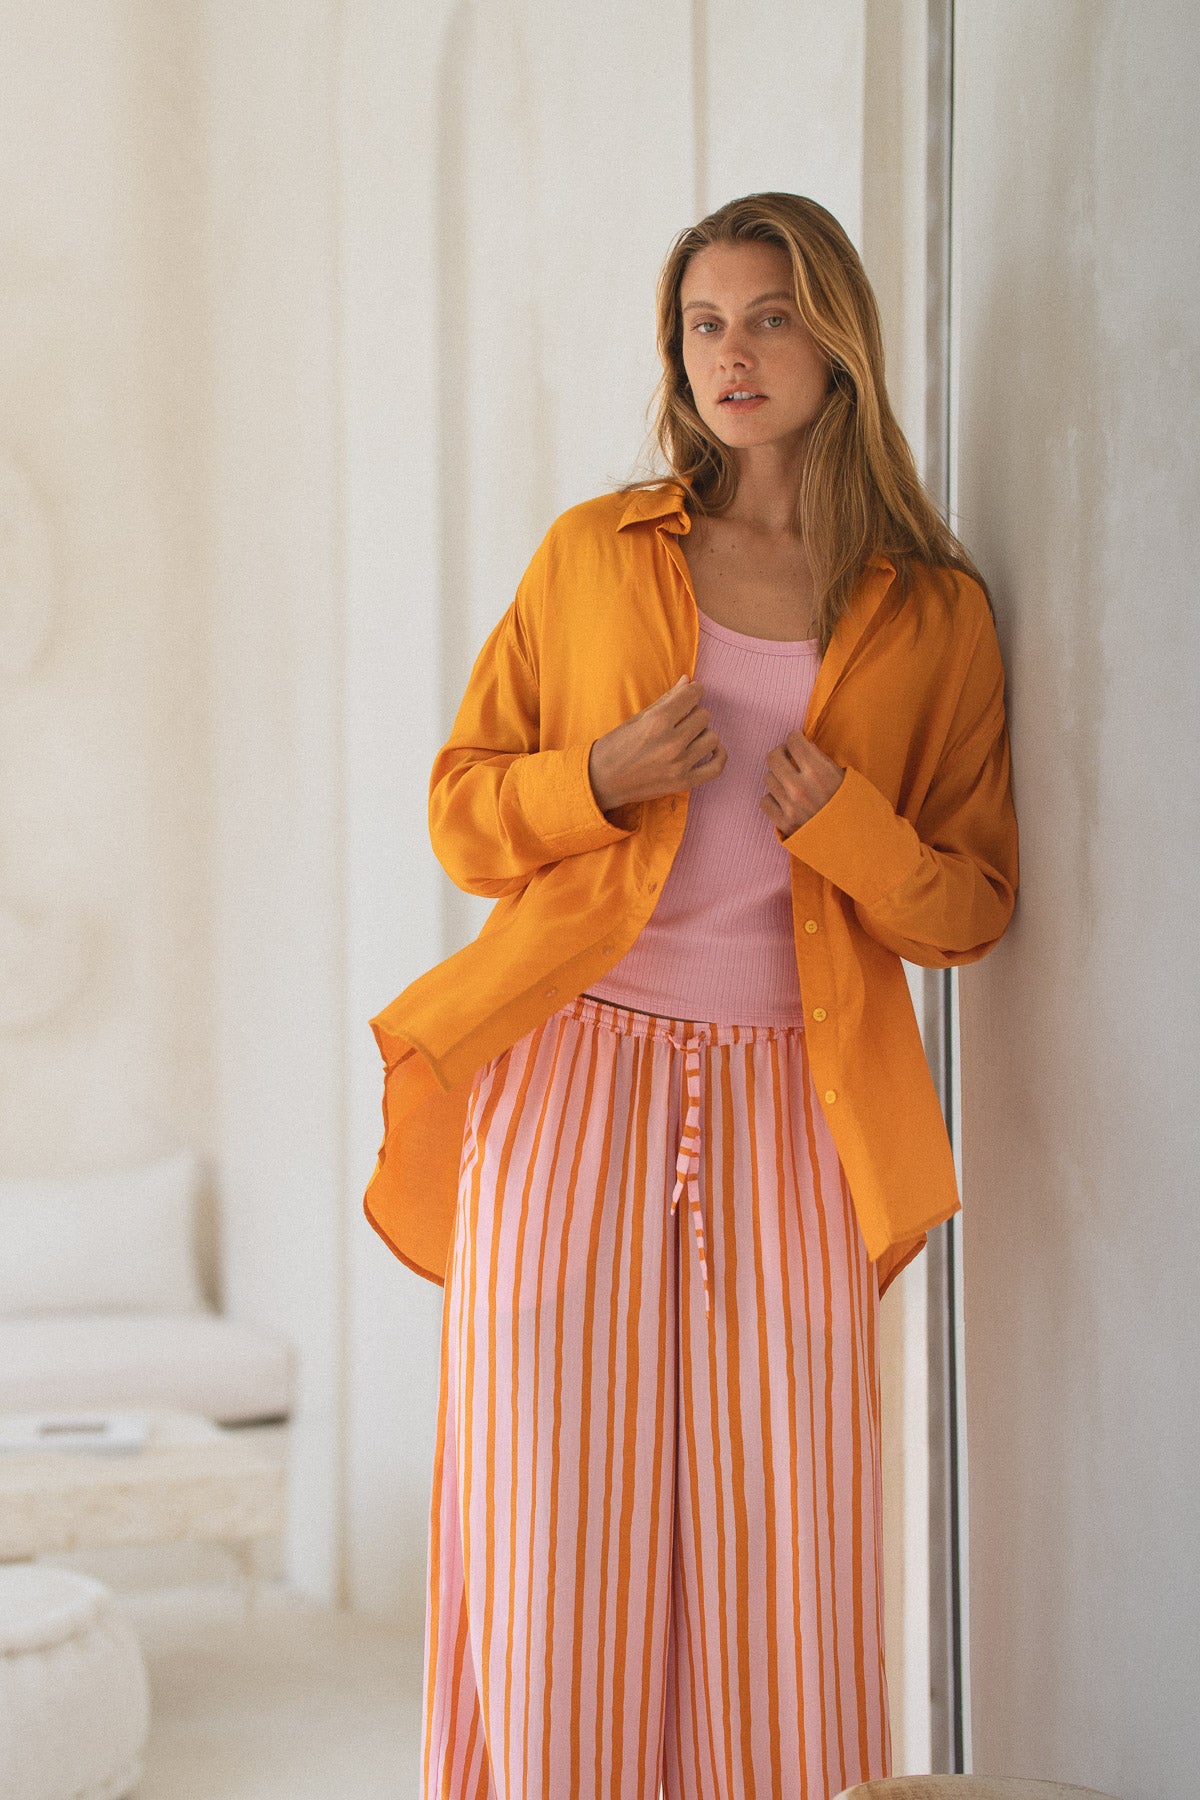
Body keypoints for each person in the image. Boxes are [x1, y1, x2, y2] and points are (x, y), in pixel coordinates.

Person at [364, 192, 1018, 1800]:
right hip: (571, 1077)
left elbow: (973, 906)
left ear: (837, 339)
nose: (735, 352)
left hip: (799, 1094)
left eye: (771, 316)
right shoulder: (598, 552)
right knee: (554, 1522)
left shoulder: (933, 612)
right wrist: (595, 774)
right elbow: (460, 809)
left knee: (786, 1533)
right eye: (707, 323)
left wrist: (847, 829)